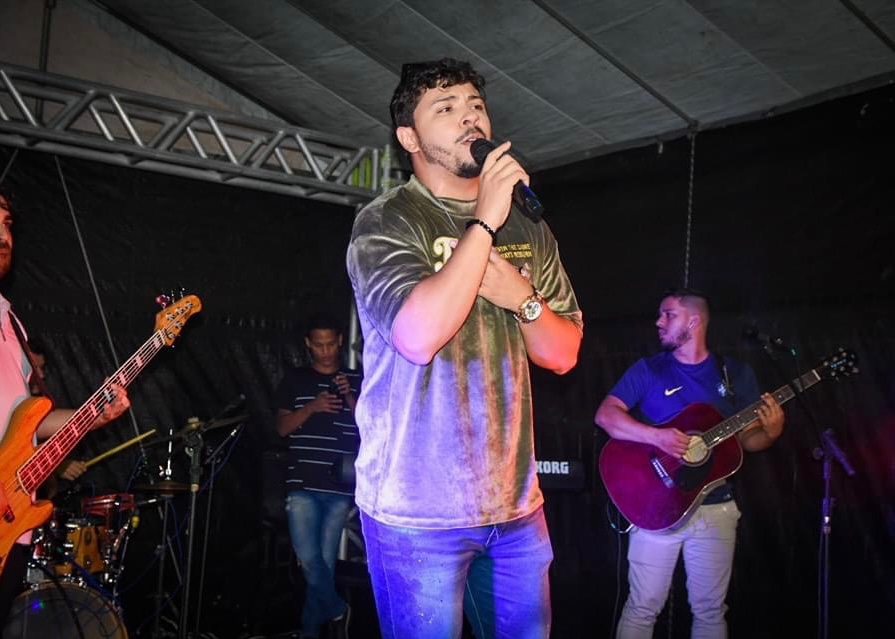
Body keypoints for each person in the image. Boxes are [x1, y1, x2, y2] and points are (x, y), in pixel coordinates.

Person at [346, 57, 583, 638]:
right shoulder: (387, 221)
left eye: (476, 105)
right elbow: (417, 337)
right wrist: (484, 224)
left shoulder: (528, 226)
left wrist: (522, 297)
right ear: (409, 139)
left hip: (516, 508)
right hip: (417, 513)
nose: (469, 117)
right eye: (446, 108)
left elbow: (563, 354)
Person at [594, 288, 785, 639]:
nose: (658, 322)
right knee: (642, 607)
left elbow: (747, 440)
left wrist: (770, 433)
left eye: (668, 315)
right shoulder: (649, 369)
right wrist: (657, 437)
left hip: (716, 508)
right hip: (656, 508)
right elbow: (606, 415)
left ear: (694, 321)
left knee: (710, 611)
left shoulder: (734, 374)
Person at [0, 185, 131, 623]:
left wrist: (92, 416)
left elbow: (27, 419)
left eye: (7, 225)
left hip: (12, 524)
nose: (4, 236)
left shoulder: (11, 322)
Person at [274, 313, 361, 639]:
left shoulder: (356, 378)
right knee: (309, 560)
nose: (325, 351)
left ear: (340, 341)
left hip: (339, 484)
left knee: (324, 562)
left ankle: (310, 631)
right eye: (319, 345)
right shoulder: (295, 379)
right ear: (308, 344)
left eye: (330, 344)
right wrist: (312, 407)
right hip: (302, 483)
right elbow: (282, 428)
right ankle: (339, 610)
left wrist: (349, 396)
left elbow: (372, 427)